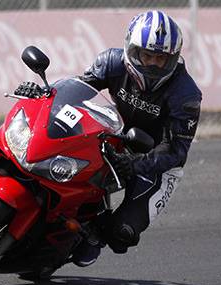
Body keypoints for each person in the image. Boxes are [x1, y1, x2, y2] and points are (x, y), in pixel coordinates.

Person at [14, 10, 202, 267]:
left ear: (173, 58)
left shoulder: (186, 93)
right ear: (131, 50)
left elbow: (176, 150)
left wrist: (135, 163)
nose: (152, 65)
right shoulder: (112, 62)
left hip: (157, 160)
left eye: (161, 58)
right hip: (114, 136)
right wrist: (43, 96)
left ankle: (94, 236)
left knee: (123, 233)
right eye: (146, 55)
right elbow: (76, 90)